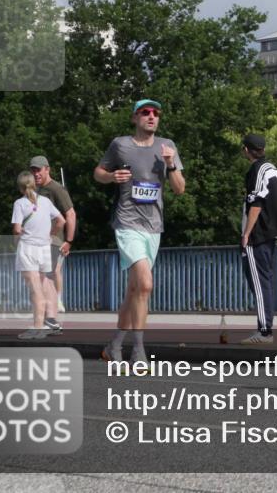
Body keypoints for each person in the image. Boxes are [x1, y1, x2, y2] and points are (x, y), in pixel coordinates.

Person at [95, 99, 185, 364]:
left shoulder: (167, 147)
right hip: (127, 223)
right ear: (135, 118)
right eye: (145, 112)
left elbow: (180, 188)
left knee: (135, 291)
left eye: (156, 113)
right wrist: (111, 177)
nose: (151, 116)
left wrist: (170, 165)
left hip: (153, 226)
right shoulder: (120, 144)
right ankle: (139, 351)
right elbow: (98, 172)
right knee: (146, 284)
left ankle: (114, 346)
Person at [239, 133, 277, 345]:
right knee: (266, 281)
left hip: (258, 234)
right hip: (271, 232)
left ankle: (265, 331)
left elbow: (256, 203)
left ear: (246, 150)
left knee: (258, 283)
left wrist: (246, 233)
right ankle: (265, 327)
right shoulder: (271, 168)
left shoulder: (257, 170)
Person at [12, 171, 64, 340]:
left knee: (35, 290)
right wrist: (51, 234)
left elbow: (17, 229)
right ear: (34, 184)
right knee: (41, 286)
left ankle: (37, 326)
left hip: (28, 248)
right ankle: (48, 321)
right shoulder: (46, 201)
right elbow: (61, 221)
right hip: (44, 248)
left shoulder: (20, 203)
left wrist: (16, 241)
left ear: (20, 187)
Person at [31, 156, 76, 330]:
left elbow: (71, 215)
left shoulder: (56, 189)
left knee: (46, 277)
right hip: (40, 241)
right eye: (33, 170)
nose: (36, 173)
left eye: (38, 170)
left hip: (53, 241)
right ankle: (48, 316)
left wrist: (68, 241)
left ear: (47, 169)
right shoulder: (36, 190)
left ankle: (51, 316)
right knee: (42, 278)